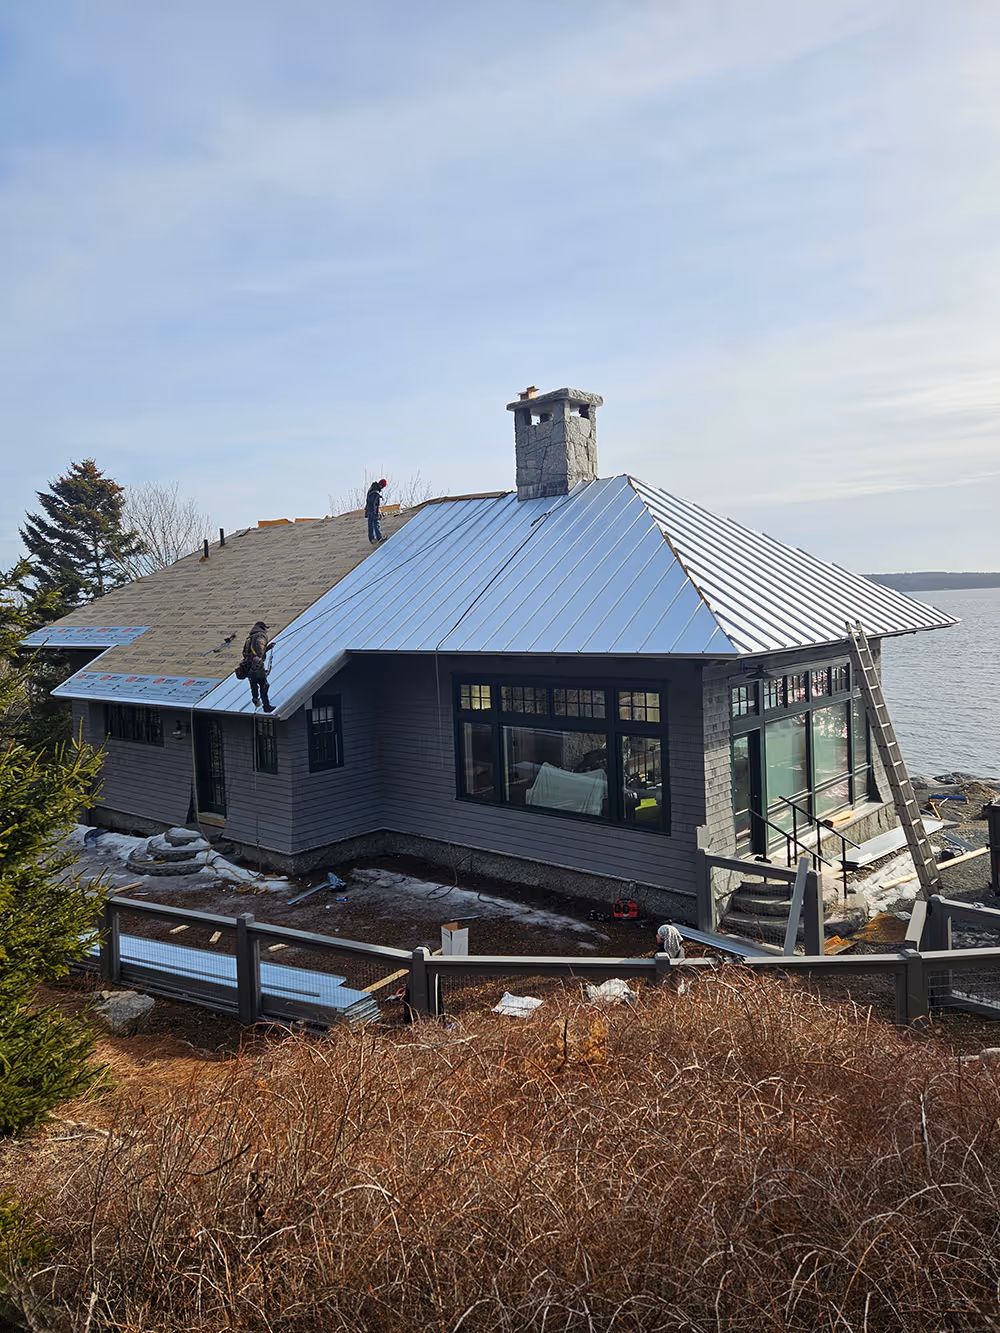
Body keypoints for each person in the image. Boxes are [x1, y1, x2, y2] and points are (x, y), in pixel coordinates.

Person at [241, 620, 275, 712]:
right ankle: (266, 706)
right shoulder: (260, 635)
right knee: (264, 685)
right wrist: (267, 649)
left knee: (254, 684)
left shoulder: (249, 637)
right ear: (262, 628)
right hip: (257, 665)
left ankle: (255, 699)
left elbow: (244, 652)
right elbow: (260, 651)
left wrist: (268, 647)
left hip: (248, 666)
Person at [365, 478, 387, 543]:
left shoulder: (372, 489)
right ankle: (379, 537)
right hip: (372, 511)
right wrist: (375, 513)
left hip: (369, 510)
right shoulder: (375, 493)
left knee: (370, 524)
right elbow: (373, 503)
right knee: (375, 523)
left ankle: (371, 538)